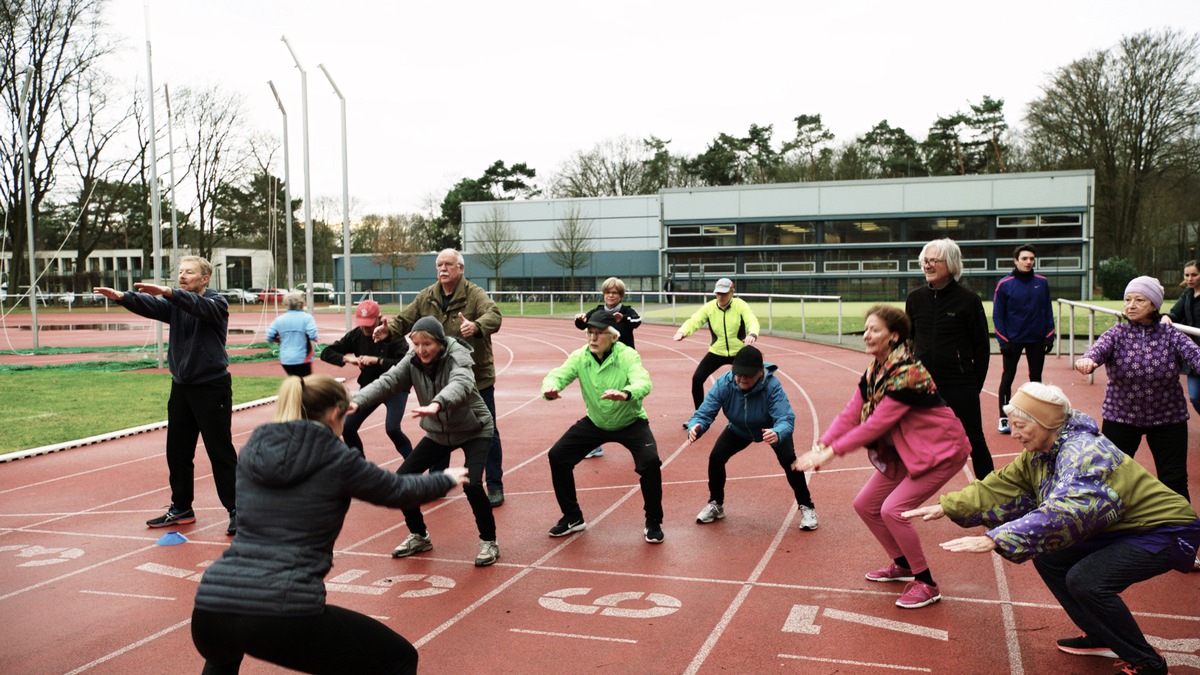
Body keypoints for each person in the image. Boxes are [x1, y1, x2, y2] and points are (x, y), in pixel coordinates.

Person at [903, 382, 1200, 675]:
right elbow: (1000, 483)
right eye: (1013, 424)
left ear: (1046, 423)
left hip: (1166, 529)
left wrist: (998, 537)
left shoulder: (1084, 453)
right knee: (1051, 557)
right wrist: (949, 505)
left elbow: (1068, 511)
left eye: (1020, 426)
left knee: (1087, 581)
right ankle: (1100, 635)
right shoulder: (1040, 451)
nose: (1014, 433)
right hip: (1123, 524)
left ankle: (1148, 663)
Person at [191, 374, 468, 675]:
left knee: (223, 658)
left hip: (211, 606)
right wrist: (446, 478)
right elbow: (397, 491)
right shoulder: (336, 458)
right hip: (282, 609)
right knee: (398, 659)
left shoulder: (253, 450)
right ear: (337, 414)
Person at [794, 304, 969, 609]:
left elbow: (876, 424)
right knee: (865, 504)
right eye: (865, 329)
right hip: (907, 451)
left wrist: (831, 453)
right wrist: (823, 446)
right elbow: (851, 413)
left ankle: (926, 582)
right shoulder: (876, 370)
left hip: (942, 451)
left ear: (895, 336)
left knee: (892, 510)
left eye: (875, 329)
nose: (866, 335)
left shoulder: (907, 374)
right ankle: (902, 564)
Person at [93, 255, 238, 535]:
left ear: (204, 278)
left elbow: (199, 307)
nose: (182, 276)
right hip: (181, 387)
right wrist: (123, 297)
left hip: (212, 387)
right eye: (180, 272)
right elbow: (151, 305)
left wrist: (170, 293)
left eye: (189, 273)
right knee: (177, 452)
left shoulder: (216, 303)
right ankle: (181, 507)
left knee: (220, 452)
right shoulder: (176, 304)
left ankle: (237, 510)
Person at [354, 316, 500, 566]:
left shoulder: (458, 356)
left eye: (427, 344)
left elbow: (461, 382)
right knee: (402, 480)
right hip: (439, 432)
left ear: (440, 343)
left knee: (472, 484)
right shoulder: (412, 360)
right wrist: (357, 401)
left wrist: (437, 403)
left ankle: (489, 541)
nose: (421, 350)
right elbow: (387, 381)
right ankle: (419, 535)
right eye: (417, 344)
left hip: (474, 428)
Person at [375, 249, 507, 507]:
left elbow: (494, 315)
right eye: (439, 265)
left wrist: (477, 326)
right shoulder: (427, 296)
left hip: (476, 379)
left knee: (487, 431)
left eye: (448, 264)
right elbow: (404, 320)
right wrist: (387, 331)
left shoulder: (475, 294)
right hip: (438, 379)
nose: (442, 269)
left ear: (461, 268)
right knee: (438, 430)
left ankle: (494, 485)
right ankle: (438, 482)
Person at [1075, 275, 1200, 503]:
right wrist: (1088, 361)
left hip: (1168, 418)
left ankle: (1181, 531)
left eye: (1139, 300)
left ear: (1154, 304)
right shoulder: (1117, 334)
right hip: (1121, 417)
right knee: (1113, 478)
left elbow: (1196, 356)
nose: (1131, 306)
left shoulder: (1171, 335)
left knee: (1174, 480)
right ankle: (1112, 529)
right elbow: (1096, 352)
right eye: (1127, 300)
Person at [541, 314, 665, 544]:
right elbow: (560, 373)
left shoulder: (627, 354)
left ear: (613, 336)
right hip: (596, 422)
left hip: (630, 421)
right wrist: (550, 387)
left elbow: (643, 381)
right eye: (590, 332)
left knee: (650, 462)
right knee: (557, 456)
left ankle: (653, 522)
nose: (593, 337)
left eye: (599, 333)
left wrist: (626, 393)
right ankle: (572, 517)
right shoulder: (580, 356)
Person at [686, 345, 819, 531]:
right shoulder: (725, 383)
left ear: (760, 371)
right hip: (739, 429)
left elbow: (785, 418)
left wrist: (778, 432)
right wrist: (696, 426)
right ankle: (716, 504)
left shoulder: (772, 386)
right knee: (716, 457)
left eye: (747, 375)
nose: (741, 379)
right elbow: (705, 411)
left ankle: (807, 507)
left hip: (771, 429)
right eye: (738, 374)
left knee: (790, 462)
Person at [906, 238, 994, 478]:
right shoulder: (915, 299)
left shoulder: (969, 300)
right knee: (912, 442)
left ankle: (991, 497)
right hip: (924, 386)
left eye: (934, 260)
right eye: (925, 260)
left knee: (975, 440)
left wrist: (975, 386)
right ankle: (902, 503)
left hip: (960, 385)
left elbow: (981, 348)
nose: (928, 265)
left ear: (952, 264)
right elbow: (909, 341)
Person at [320, 299, 413, 457]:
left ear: (379, 318)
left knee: (392, 428)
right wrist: (349, 359)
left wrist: (377, 360)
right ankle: (359, 466)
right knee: (348, 427)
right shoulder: (356, 335)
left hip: (395, 388)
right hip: (370, 387)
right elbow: (326, 352)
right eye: (362, 323)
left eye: (369, 323)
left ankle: (412, 464)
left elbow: (404, 364)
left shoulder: (394, 336)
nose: (365, 328)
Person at [574, 276, 642, 458]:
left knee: (629, 398)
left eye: (614, 293)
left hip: (623, 362)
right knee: (599, 401)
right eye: (607, 292)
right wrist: (580, 319)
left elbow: (638, 321)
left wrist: (624, 318)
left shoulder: (627, 311)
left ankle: (639, 440)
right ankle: (595, 444)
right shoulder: (597, 311)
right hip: (601, 362)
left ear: (620, 296)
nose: (610, 296)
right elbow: (582, 324)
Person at [992, 244, 1056, 434]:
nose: (1028, 262)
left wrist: (1049, 336)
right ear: (1016, 260)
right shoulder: (1004, 284)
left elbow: (1047, 310)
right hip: (1013, 340)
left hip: (1036, 339)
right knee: (1008, 377)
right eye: (1025, 258)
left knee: (1036, 379)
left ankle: (1035, 415)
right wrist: (1003, 341)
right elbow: (998, 315)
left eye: (1031, 259)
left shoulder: (1042, 282)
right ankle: (1004, 418)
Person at [673, 277, 760, 411]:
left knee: (751, 380)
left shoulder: (740, 304)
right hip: (716, 352)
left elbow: (751, 319)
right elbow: (694, 320)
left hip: (739, 353)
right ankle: (699, 415)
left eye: (724, 293)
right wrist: (682, 331)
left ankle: (753, 412)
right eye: (718, 293)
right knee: (697, 379)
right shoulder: (709, 307)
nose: (720, 296)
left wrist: (752, 333)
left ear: (732, 293)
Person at [1163, 259, 1200, 413]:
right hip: (1194, 352)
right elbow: (1176, 313)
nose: (1189, 279)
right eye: (1186, 275)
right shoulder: (1187, 293)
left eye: (1194, 275)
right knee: (1195, 396)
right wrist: (1167, 317)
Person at [265, 291, 319, 377]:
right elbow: (313, 335)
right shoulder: (307, 318)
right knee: (306, 383)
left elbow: (269, 336)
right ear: (301, 304)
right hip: (303, 358)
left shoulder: (279, 319)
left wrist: (280, 340)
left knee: (293, 381)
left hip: (286, 359)